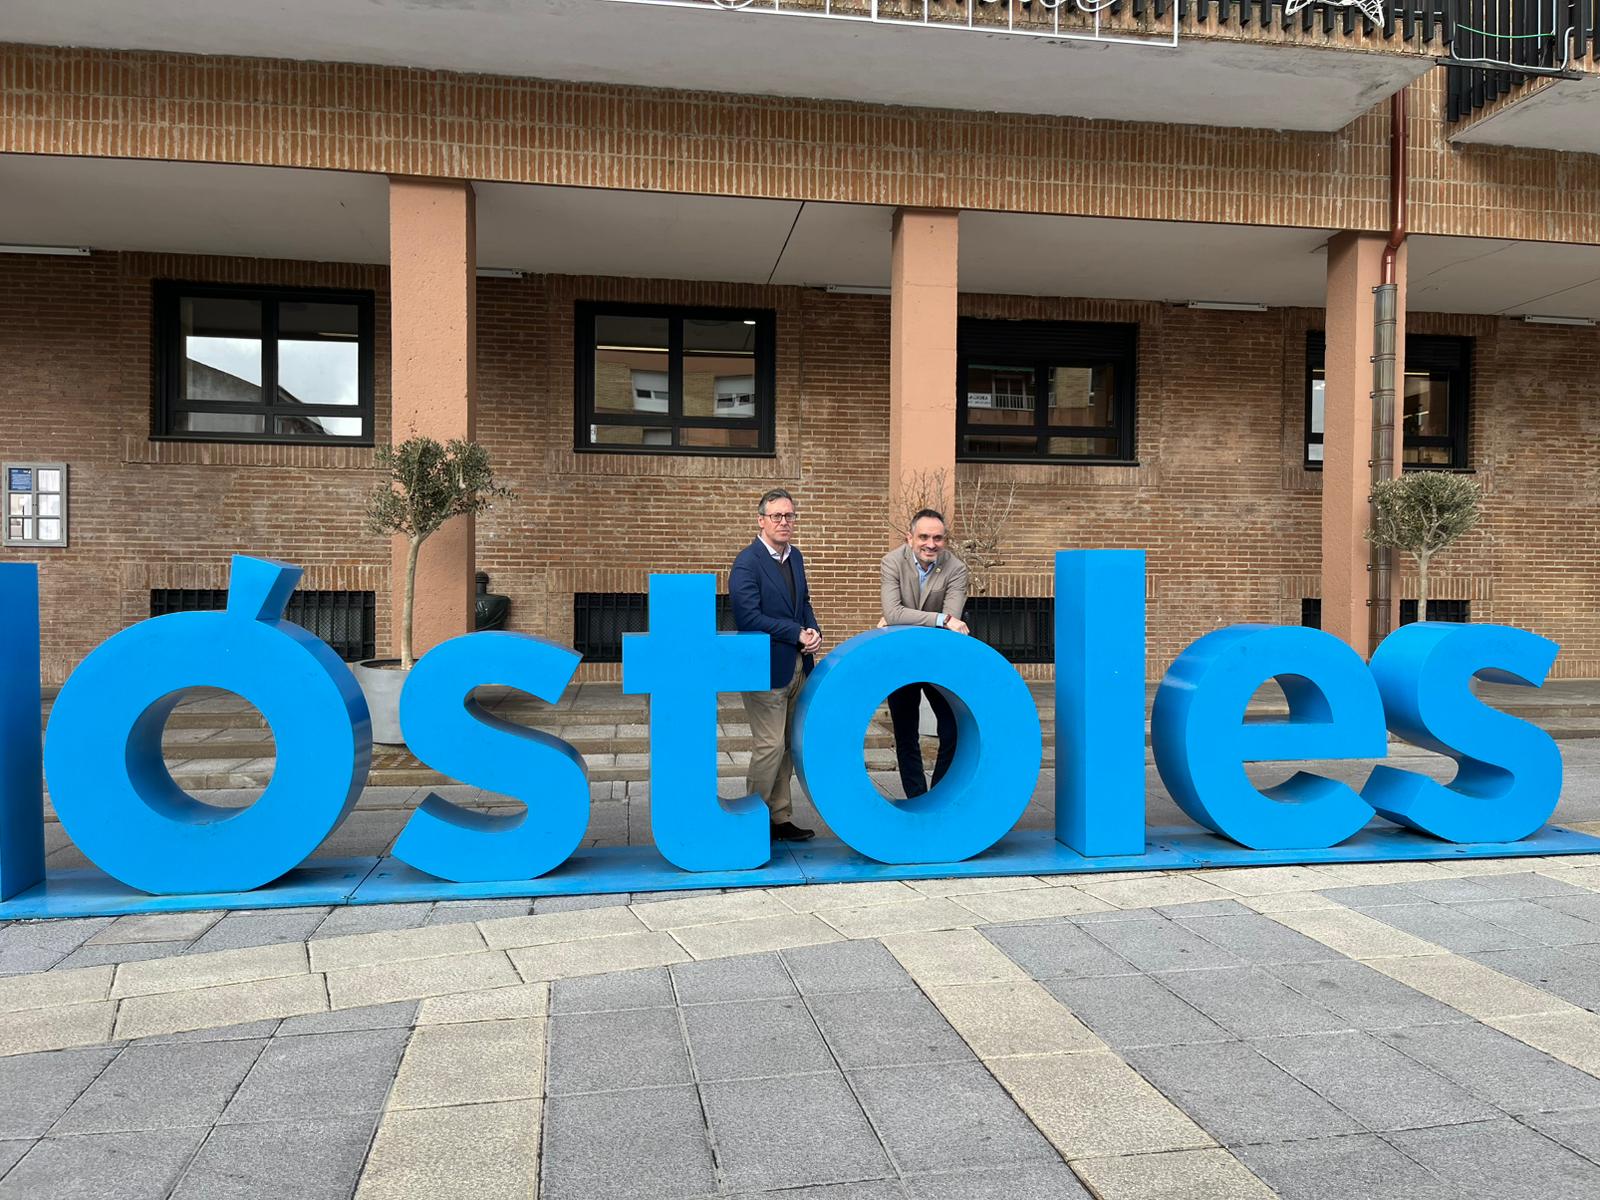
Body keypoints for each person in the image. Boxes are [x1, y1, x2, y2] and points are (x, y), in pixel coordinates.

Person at [730, 488, 822, 842]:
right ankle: (753, 815)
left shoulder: (794, 557)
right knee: (769, 746)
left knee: (786, 746)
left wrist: (813, 631)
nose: (785, 522)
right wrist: (796, 632)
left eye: (790, 516)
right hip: (764, 669)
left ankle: (780, 818)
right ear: (761, 520)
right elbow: (748, 617)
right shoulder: (747, 562)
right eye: (777, 516)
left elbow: (804, 603)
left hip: (798, 666)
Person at [880, 508, 969, 799]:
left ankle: (939, 797)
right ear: (910, 537)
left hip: (939, 662)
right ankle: (918, 799)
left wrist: (907, 618)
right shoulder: (892, 562)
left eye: (938, 538)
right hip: (901, 660)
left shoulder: (955, 568)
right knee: (906, 734)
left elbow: (953, 618)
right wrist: (939, 619)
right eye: (924, 537)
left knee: (952, 729)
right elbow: (893, 613)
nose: (931, 544)